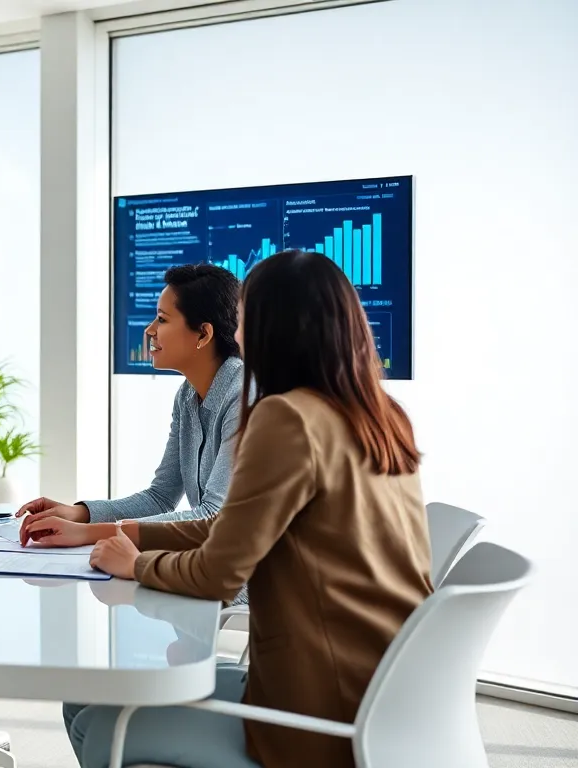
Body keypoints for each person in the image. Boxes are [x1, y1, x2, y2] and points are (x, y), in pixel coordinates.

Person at [25, 250, 432, 768]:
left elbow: (220, 570)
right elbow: (200, 517)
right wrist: (103, 525)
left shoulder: (284, 416)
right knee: (89, 697)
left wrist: (135, 563)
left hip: (319, 712)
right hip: (381, 695)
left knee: (100, 725)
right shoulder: (381, 414)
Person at [17, 264, 244, 556]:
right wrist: (78, 514)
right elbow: (161, 498)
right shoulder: (187, 396)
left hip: (250, 593)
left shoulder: (243, 398)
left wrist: (88, 533)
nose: (150, 330)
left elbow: (214, 518)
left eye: (162, 320)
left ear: (203, 334)